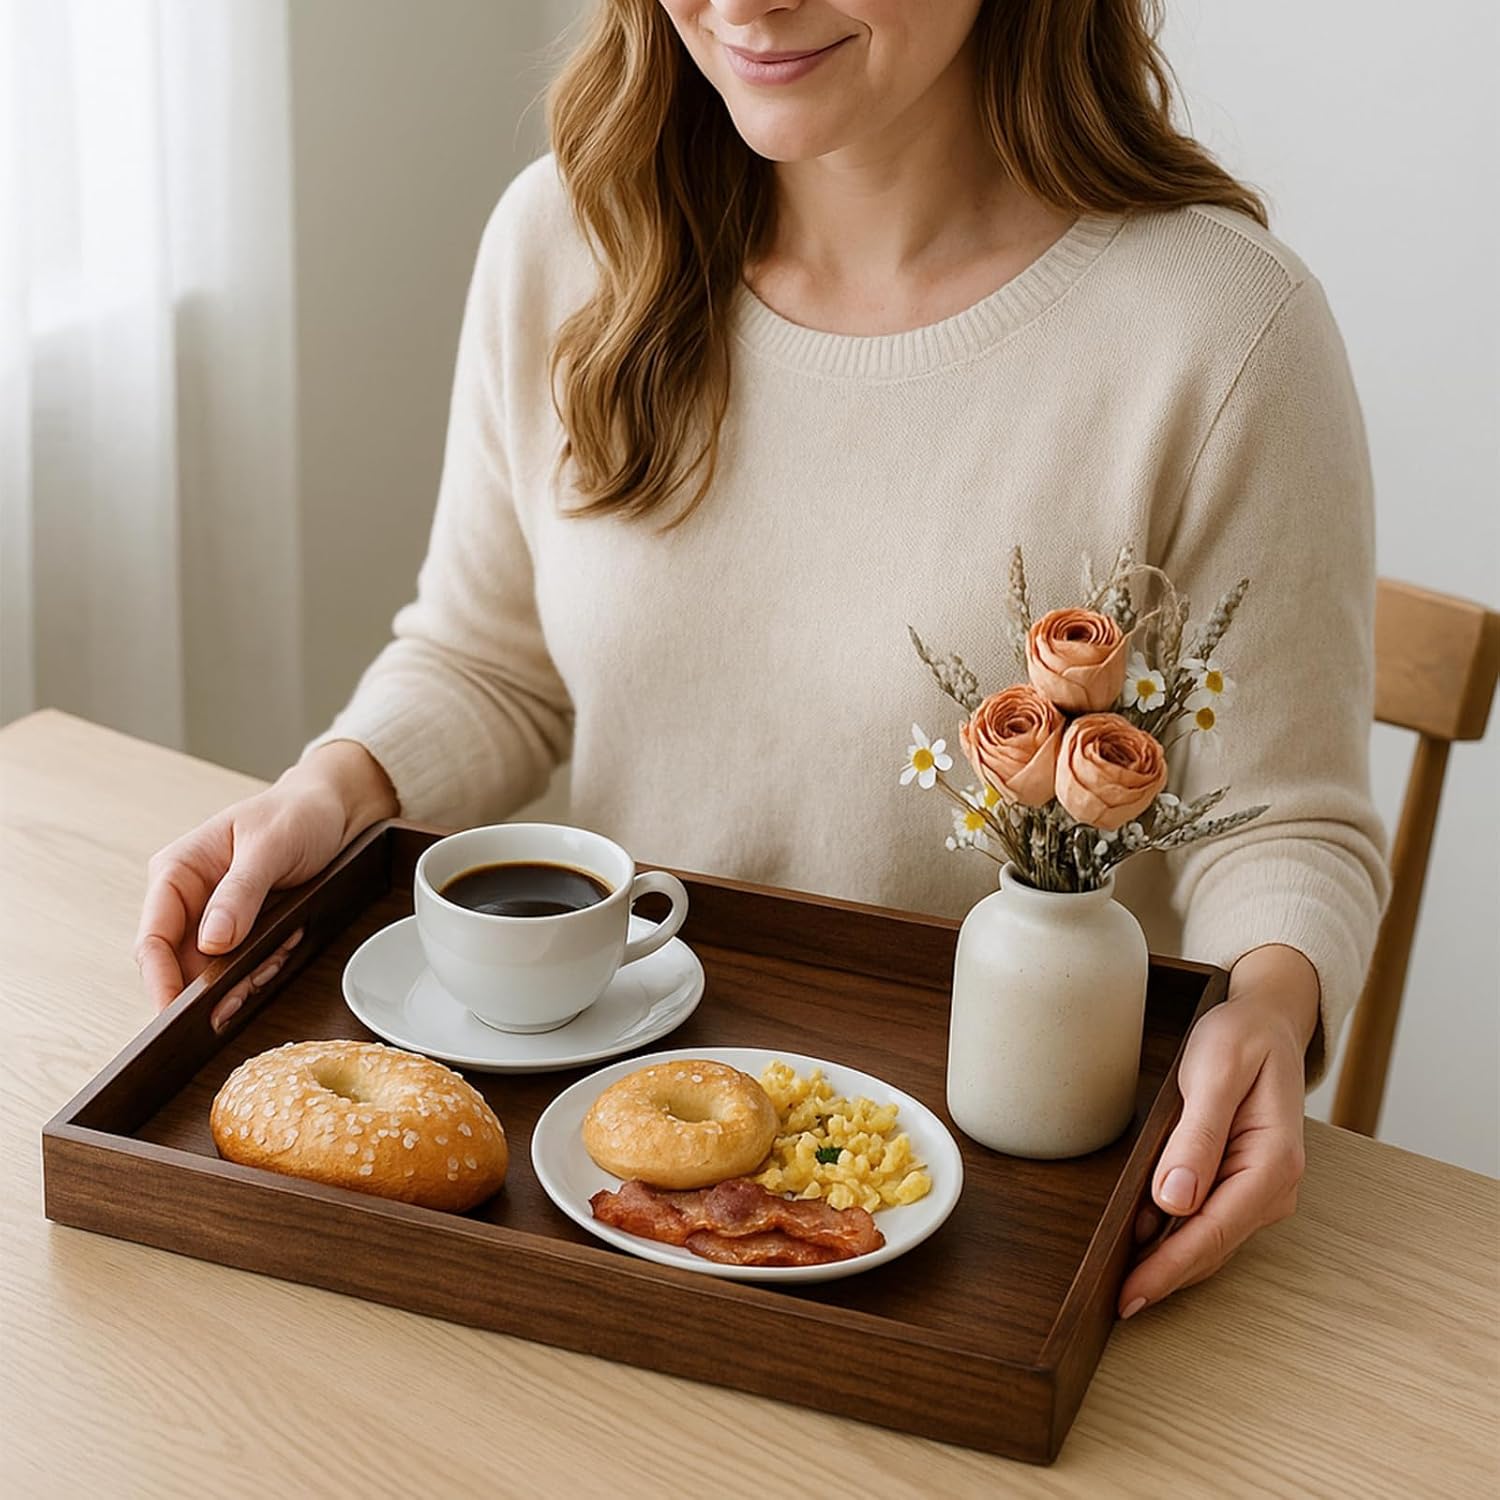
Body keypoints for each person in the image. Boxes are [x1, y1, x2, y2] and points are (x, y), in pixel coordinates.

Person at [134, 0, 1388, 1322]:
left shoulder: (1219, 332)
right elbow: (489, 657)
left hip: (982, 1235)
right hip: (597, 1170)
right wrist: (330, 792)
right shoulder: (568, 235)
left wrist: (1272, 998)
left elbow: (1281, 822)